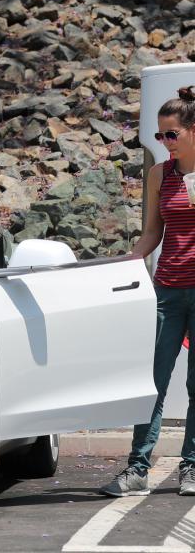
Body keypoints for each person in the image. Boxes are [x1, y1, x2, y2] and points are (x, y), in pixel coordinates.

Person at [100, 86, 195, 497]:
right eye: (160, 136)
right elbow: (153, 232)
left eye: (171, 135)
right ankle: (137, 467)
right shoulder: (160, 174)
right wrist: (130, 261)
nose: (164, 143)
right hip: (167, 290)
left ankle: (191, 467)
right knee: (151, 382)